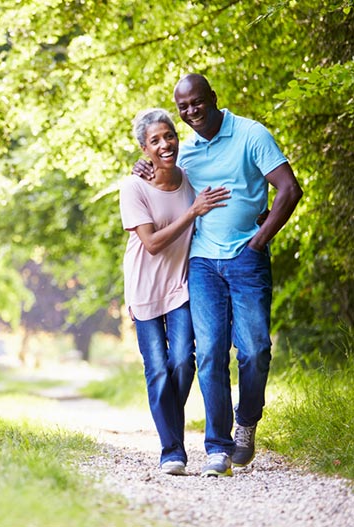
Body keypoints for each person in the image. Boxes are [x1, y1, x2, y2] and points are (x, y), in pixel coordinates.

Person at [135, 74, 303, 477]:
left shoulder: (250, 134)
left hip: (247, 259)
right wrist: (142, 162)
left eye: (197, 103)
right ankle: (218, 447)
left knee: (256, 349)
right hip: (202, 264)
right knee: (209, 354)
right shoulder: (186, 152)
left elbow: (289, 189)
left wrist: (260, 240)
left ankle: (247, 422)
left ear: (212, 98)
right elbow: (161, 177)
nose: (192, 112)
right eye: (184, 108)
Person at [120, 108, 230, 476]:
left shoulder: (190, 178)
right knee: (157, 370)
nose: (165, 144)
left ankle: (168, 422)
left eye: (169, 136)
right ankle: (172, 451)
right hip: (143, 287)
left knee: (183, 360)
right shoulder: (133, 186)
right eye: (155, 141)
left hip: (180, 285)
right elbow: (150, 243)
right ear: (143, 148)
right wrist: (192, 213)